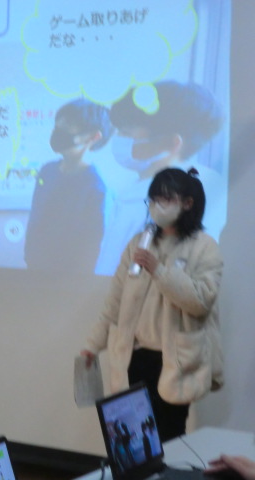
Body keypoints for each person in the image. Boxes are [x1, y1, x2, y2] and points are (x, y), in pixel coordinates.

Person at [81, 168, 223, 442]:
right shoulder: (140, 242)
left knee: (170, 437)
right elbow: (115, 302)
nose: (157, 206)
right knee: (133, 438)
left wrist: (159, 271)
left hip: (176, 360)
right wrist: (92, 345)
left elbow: (201, 301)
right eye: (153, 199)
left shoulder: (205, 247)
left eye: (165, 199)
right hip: (135, 357)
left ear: (187, 203)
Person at [95, 80, 225, 275]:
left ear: (172, 143)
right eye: (119, 130)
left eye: (127, 132)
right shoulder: (134, 188)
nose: (119, 139)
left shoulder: (184, 198)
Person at [25, 98, 112, 274]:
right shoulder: (47, 171)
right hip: (35, 272)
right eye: (57, 128)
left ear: (94, 137)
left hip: (69, 280)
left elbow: (91, 247)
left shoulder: (97, 188)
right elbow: (35, 221)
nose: (58, 135)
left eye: (67, 129)